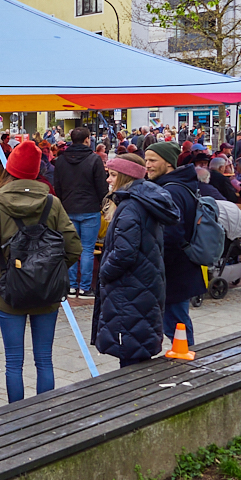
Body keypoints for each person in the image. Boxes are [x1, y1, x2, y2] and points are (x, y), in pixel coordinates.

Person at [0, 141, 80, 402]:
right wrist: (52, 272)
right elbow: (74, 247)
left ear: (10, 170)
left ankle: (16, 418)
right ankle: (45, 415)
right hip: (47, 292)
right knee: (44, 359)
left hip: (10, 290)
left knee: (13, 362)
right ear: (36, 171)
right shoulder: (51, 203)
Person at [93, 155, 178, 368]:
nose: (108, 180)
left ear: (125, 177)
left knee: (130, 354)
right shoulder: (142, 201)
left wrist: (104, 272)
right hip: (143, 286)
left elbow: (124, 253)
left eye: (112, 175)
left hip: (129, 290)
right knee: (138, 349)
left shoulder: (130, 207)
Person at [143, 141, 206, 346]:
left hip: (174, 269)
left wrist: (156, 263)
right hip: (180, 267)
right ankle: (185, 358)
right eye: (146, 160)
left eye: (153, 160)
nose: (148, 165)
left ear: (168, 163)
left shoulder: (170, 191)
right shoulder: (178, 185)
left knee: (176, 323)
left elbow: (171, 234)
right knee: (176, 320)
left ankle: (186, 363)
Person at [52, 127, 107, 299]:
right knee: (87, 250)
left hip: (68, 208)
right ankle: (84, 288)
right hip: (90, 209)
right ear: (86, 140)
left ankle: (70, 286)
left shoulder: (60, 160)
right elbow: (101, 187)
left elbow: (57, 186)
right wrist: (100, 202)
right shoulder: (94, 160)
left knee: (70, 249)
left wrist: (63, 201)